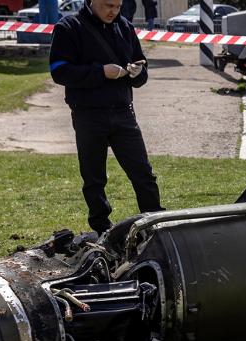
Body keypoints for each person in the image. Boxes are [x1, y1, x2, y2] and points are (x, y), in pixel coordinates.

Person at [49, 0, 164, 235]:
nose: (114, 12)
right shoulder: (68, 27)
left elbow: (142, 71)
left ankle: (154, 223)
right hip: (88, 114)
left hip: (123, 112)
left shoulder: (125, 27)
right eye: (108, 6)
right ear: (91, 2)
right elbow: (59, 71)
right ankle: (102, 228)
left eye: (118, 6)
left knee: (143, 174)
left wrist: (138, 72)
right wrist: (100, 72)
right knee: (94, 177)